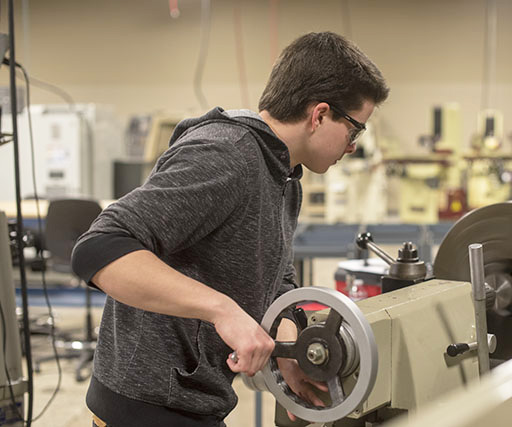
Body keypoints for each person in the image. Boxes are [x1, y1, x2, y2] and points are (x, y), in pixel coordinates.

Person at [71, 31, 389, 427]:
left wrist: (287, 353)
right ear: (320, 114)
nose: (353, 145)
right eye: (355, 129)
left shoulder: (284, 176)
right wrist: (223, 310)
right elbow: (99, 248)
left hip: (195, 402)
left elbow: (276, 283)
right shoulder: (228, 154)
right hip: (146, 406)